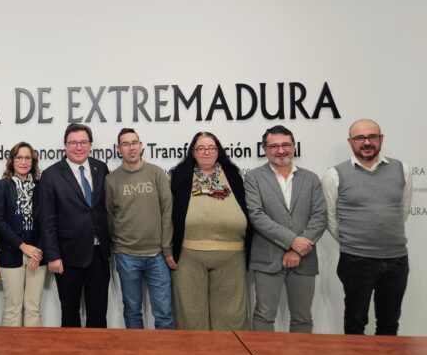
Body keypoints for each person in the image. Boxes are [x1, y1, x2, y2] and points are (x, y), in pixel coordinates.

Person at [322, 119, 412, 335]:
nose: (366, 142)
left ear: (381, 139)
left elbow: (403, 210)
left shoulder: (402, 169)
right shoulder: (334, 174)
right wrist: (353, 242)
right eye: (360, 138)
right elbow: (330, 218)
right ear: (350, 141)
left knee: (390, 323)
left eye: (372, 136)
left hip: (396, 261)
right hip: (355, 261)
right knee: (355, 322)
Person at [245, 125, 327, 333]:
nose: (280, 151)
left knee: (302, 318)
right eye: (273, 146)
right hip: (267, 257)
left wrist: (297, 248)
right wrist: (292, 241)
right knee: (263, 315)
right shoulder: (253, 177)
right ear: (264, 149)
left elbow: (319, 217)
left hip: (304, 257)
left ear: (293, 147)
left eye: (285, 145)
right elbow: (256, 215)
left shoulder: (311, 178)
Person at [169, 131, 251, 331]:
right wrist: (167, 247)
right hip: (189, 256)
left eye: (211, 148)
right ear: (193, 152)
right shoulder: (179, 176)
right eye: (201, 148)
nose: (206, 152)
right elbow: (168, 213)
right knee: (191, 316)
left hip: (232, 256)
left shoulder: (233, 175)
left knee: (231, 317)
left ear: (218, 151)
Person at [39, 123, 111, 328]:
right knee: (70, 314)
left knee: (98, 313)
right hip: (67, 257)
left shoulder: (101, 168)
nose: (78, 147)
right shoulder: (51, 175)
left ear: (90, 145)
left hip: (99, 254)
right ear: (65, 146)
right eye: (73, 143)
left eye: (83, 142)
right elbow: (47, 219)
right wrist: (53, 256)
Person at [105, 128, 174, 329]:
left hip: (157, 255)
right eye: (125, 144)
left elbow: (167, 210)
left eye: (134, 142)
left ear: (141, 145)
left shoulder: (156, 173)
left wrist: (167, 247)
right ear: (119, 149)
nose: (131, 147)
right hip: (126, 255)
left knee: (164, 313)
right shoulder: (112, 180)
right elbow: (109, 215)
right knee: (132, 310)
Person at [0, 142, 46, 327]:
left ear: (33, 161)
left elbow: (47, 221)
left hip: (37, 255)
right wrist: (23, 246)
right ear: (12, 161)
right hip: (11, 253)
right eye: (19, 157)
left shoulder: (41, 186)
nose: (23, 161)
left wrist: (37, 250)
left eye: (27, 158)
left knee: (33, 308)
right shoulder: (1, 186)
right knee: (13, 308)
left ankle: (32, 354)